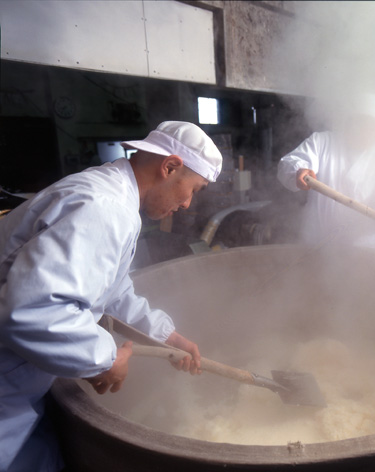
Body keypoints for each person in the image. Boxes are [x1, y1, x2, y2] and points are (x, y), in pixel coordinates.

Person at [0, 121, 222, 471]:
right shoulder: (105, 208)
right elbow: (33, 310)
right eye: (193, 189)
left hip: (22, 383)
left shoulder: (112, 193)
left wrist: (165, 335)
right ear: (170, 166)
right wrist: (104, 359)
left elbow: (110, 287)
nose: (187, 204)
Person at [277, 93, 375, 248]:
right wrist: (299, 171)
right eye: (366, 124)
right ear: (352, 121)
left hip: (360, 250)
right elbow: (291, 163)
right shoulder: (322, 142)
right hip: (316, 242)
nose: (371, 131)